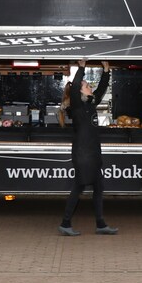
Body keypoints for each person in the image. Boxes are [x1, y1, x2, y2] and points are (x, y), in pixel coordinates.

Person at [58, 60, 118, 236]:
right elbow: (76, 83)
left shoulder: (90, 103)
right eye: (86, 85)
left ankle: (100, 224)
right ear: (79, 91)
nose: (89, 86)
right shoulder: (77, 105)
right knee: (79, 187)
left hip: (92, 153)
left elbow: (101, 89)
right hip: (83, 155)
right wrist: (82, 68)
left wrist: (106, 70)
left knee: (98, 188)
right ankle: (65, 223)